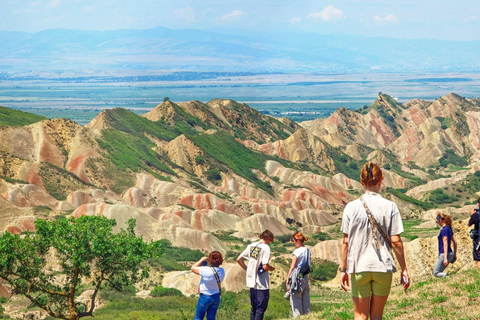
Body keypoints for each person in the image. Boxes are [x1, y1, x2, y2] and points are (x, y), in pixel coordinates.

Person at [340, 162, 410, 320]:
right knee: (377, 315)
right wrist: (404, 268)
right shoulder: (390, 206)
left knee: (360, 315)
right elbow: (396, 241)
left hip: (359, 267)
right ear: (381, 180)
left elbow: (346, 242)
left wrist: (343, 269)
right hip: (383, 267)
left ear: (361, 181)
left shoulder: (351, 208)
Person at [236, 230, 275, 320]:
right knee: (261, 308)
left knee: (254, 308)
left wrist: (248, 269)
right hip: (261, 283)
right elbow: (265, 266)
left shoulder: (251, 246)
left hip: (251, 282)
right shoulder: (266, 247)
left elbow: (239, 259)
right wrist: (271, 268)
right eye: (270, 240)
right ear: (269, 238)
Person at [191, 251, 225, 320]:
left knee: (198, 317)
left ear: (210, 260)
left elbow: (193, 268)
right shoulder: (222, 271)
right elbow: (213, 271)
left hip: (205, 296)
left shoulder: (205, 270)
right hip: (216, 297)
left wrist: (201, 260)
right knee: (211, 317)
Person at [286, 232, 311, 318]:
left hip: (297, 279)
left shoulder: (297, 251)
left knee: (296, 301)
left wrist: (288, 279)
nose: (292, 242)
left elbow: (292, 267)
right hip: (305, 277)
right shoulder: (308, 250)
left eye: (293, 240)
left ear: (297, 240)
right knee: (306, 302)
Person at [433, 213, 457, 277]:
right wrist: (454, 255)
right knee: (439, 272)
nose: (437, 223)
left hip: (444, 254)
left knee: (436, 273)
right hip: (450, 253)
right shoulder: (449, 228)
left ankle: (448, 276)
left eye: (437, 221)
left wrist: (445, 258)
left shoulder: (444, 230)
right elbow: (455, 242)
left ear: (440, 220)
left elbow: (445, 243)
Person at [468, 197, 480, 268]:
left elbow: (469, 224)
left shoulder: (476, 214)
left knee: (479, 258)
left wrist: (472, 215)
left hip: (478, 239)